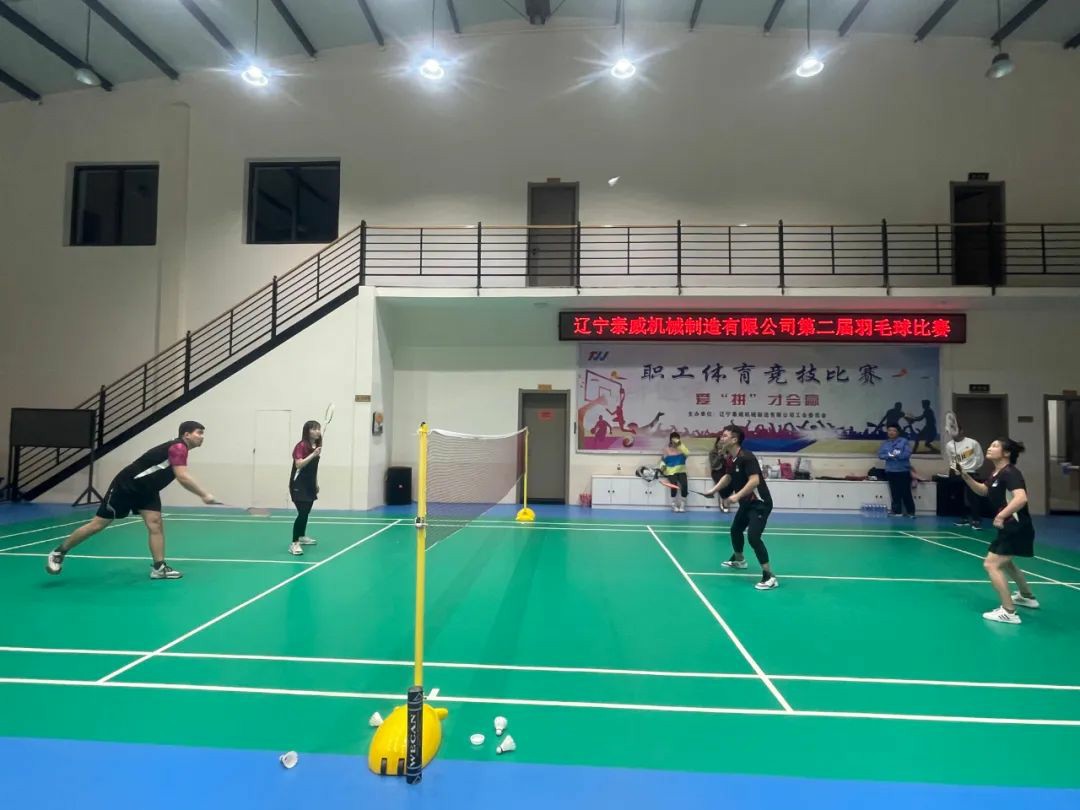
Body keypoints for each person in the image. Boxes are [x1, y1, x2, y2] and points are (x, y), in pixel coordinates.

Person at [45, 421, 218, 580]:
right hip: (127, 486)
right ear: (186, 435)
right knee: (97, 525)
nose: (202, 437)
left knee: (155, 524)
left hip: (148, 490)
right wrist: (204, 494)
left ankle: (159, 568)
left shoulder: (180, 448)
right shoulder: (178, 447)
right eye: (199, 433)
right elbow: (183, 477)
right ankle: (59, 553)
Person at [956, 438, 1038, 624]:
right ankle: (1027, 596)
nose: (989, 448)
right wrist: (965, 475)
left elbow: (1021, 498)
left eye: (994, 446)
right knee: (1007, 563)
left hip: (1016, 526)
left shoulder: (1010, 473)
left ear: (1006, 453)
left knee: (991, 564)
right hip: (1012, 527)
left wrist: (1001, 516)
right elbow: (982, 491)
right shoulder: (996, 473)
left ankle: (1008, 612)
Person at [704, 425, 778, 590]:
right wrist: (713, 490)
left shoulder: (747, 457)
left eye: (725, 436)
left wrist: (736, 496)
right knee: (735, 530)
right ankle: (739, 560)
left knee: (753, 537)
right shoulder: (731, 458)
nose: (721, 438)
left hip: (759, 504)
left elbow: (754, 480)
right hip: (746, 503)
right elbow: (728, 477)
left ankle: (769, 576)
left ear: (734, 439)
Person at [289, 420, 322, 556]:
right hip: (298, 484)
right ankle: (294, 543)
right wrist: (313, 454)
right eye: (313, 429)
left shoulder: (316, 446)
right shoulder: (301, 446)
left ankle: (302, 536)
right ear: (307, 431)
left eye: (318, 428)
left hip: (309, 484)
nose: (317, 431)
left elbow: (314, 468)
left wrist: (316, 483)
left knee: (306, 512)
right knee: (302, 513)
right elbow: (299, 464)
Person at [946, 425, 985, 529]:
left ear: (961, 431)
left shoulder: (973, 443)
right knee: (957, 496)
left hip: (970, 472)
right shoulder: (949, 445)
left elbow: (979, 458)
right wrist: (955, 469)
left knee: (972, 497)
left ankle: (976, 519)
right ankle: (964, 518)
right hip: (956, 472)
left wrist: (970, 468)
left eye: (955, 430)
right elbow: (950, 459)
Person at [877, 423, 915, 517]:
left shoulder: (903, 441)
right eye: (889, 430)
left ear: (898, 432)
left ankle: (910, 512)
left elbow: (907, 454)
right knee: (894, 493)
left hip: (903, 470)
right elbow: (880, 455)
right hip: (890, 471)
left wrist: (896, 456)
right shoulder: (885, 443)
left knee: (906, 492)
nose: (891, 432)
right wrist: (889, 456)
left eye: (894, 431)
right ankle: (896, 511)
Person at [660, 432, 690, 512]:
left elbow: (688, 453)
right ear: (670, 440)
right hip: (671, 471)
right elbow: (663, 461)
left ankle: (682, 505)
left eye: (677, 439)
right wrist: (662, 466)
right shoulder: (666, 449)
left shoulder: (682, 449)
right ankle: (674, 505)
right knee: (674, 485)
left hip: (681, 470)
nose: (675, 441)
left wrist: (680, 445)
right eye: (674, 439)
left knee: (684, 485)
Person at [707, 433, 733, 514]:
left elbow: (732, 463)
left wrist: (726, 457)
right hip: (717, 471)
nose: (722, 444)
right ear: (717, 443)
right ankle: (724, 503)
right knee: (722, 484)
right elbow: (713, 465)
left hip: (727, 471)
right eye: (720, 442)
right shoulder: (712, 452)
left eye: (724, 442)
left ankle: (725, 500)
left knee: (732, 482)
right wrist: (719, 455)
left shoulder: (729, 452)